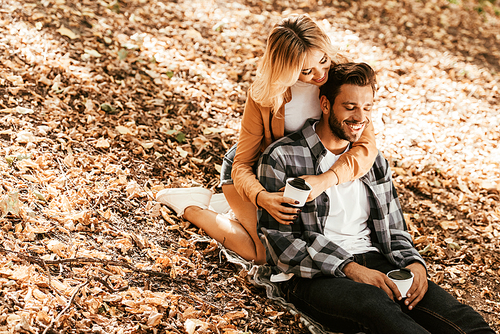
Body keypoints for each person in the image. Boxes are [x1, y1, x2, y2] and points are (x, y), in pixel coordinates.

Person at [256, 62, 494, 333]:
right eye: (350, 107)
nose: (360, 117)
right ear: (325, 104)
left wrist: (414, 263)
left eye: (367, 107)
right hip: (313, 275)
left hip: (377, 260)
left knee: (463, 320)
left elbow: (394, 229)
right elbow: (282, 246)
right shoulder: (282, 157)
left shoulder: (374, 161)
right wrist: (350, 269)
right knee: (378, 307)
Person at [156, 15, 377, 264]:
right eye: (306, 71)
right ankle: (193, 207)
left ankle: (233, 209)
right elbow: (241, 164)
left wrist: (324, 181)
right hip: (257, 175)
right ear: (287, 69)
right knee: (263, 255)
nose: (320, 74)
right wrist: (261, 197)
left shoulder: (339, 75)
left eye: (323, 60)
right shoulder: (265, 95)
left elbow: (366, 146)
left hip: (305, 179)